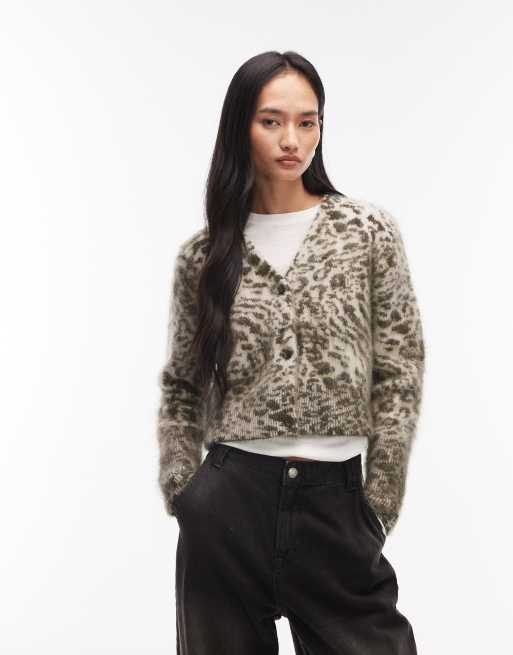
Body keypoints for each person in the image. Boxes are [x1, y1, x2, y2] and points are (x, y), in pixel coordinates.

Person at [156, 50, 425, 654]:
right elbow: (182, 384)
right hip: (228, 505)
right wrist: (184, 490)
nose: (292, 140)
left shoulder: (366, 232)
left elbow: (400, 369)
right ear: (240, 127)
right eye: (271, 121)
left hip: (337, 506)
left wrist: (379, 501)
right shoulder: (205, 255)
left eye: (308, 122)